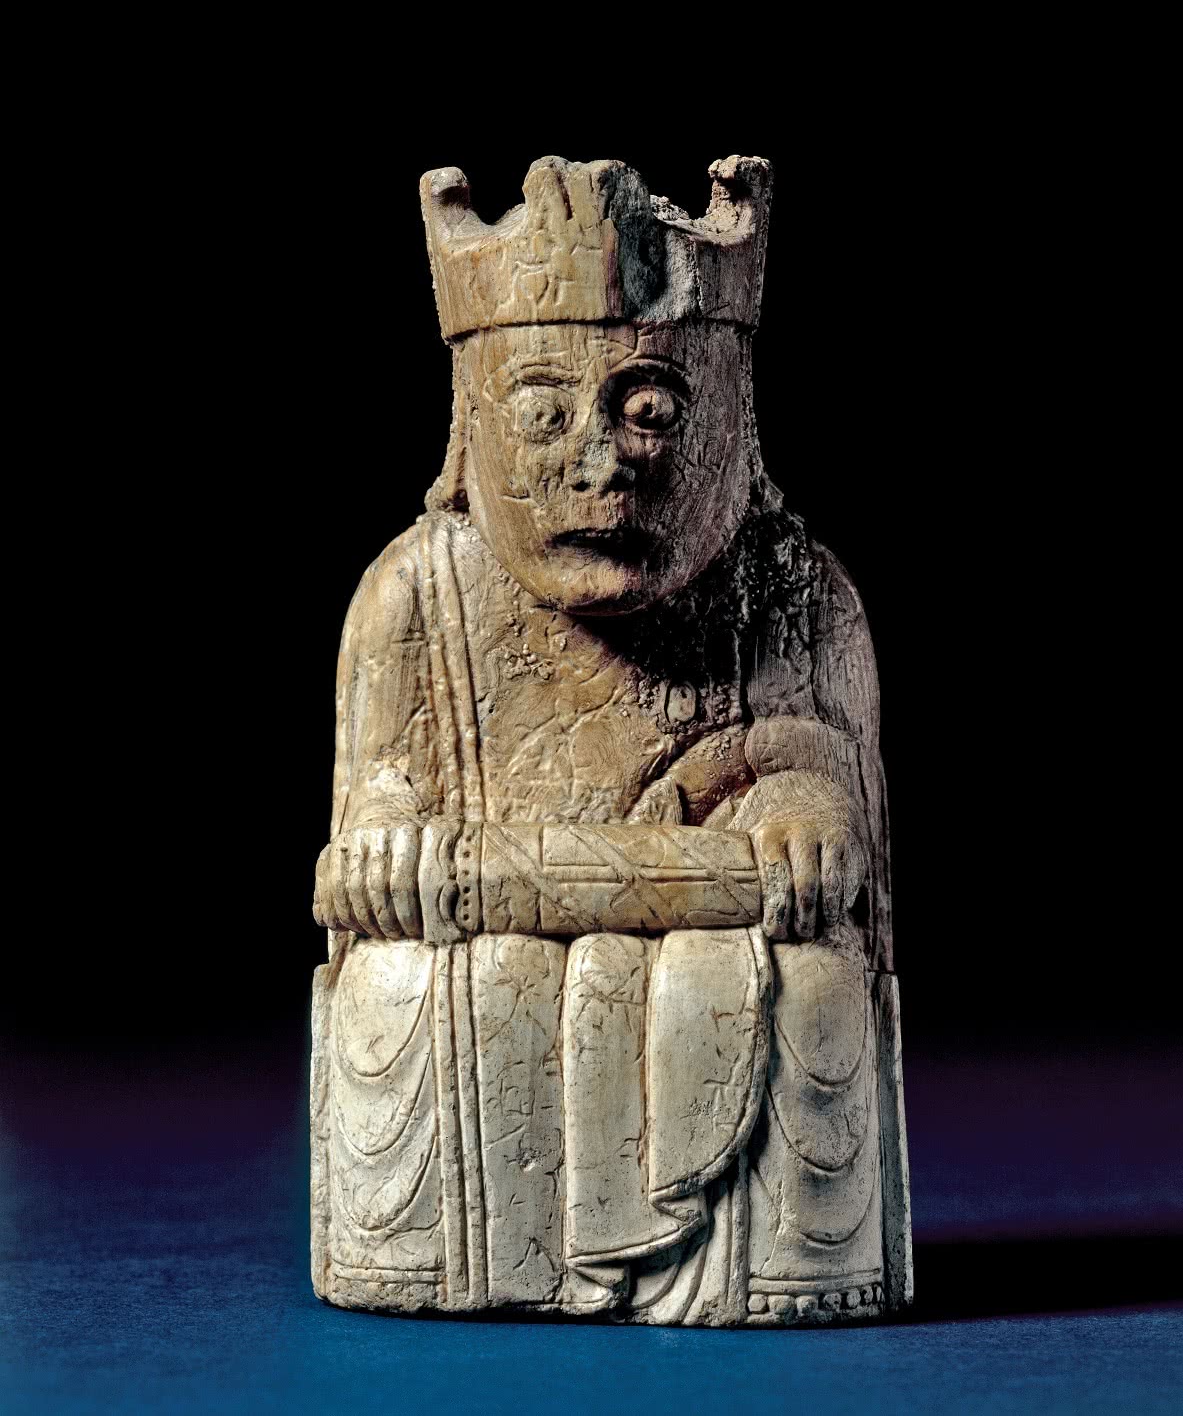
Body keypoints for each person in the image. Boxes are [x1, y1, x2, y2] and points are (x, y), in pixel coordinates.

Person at [309, 156, 911, 1325]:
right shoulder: (415, 596)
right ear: (471, 420)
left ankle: (750, 1275)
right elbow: (369, 823)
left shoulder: (799, 594)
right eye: (543, 414)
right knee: (403, 982)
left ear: (731, 414)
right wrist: (385, 840)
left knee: (810, 983)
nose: (601, 463)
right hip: (489, 931)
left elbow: (840, 824)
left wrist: (806, 812)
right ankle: (482, 1260)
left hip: (711, 934)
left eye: (651, 412)